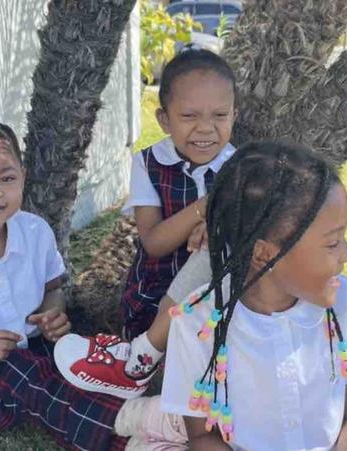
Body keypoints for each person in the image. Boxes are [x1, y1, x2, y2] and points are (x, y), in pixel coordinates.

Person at [0, 122, 180, 450]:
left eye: (6, 178)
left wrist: (52, 313)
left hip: (33, 351)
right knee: (21, 375)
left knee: (71, 365)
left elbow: (53, 287)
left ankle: (144, 444)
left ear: (23, 178)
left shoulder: (34, 231)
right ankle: (139, 422)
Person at [159, 141, 347, 450]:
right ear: (265, 253)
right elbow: (204, 437)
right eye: (333, 242)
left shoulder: (345, 302)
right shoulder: (197, 325)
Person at [54, 46, 239, 399]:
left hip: (216, 298)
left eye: (220, 115)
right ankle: (141, 364)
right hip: (156, 289)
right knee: (168, 377)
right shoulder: (149, 164)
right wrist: (208, 206)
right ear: (164, 120)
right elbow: (153, 242)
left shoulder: (242, 166)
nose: (206, 129)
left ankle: (143, 367)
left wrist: (218, 223)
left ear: (234, 115)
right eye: (189, 116)